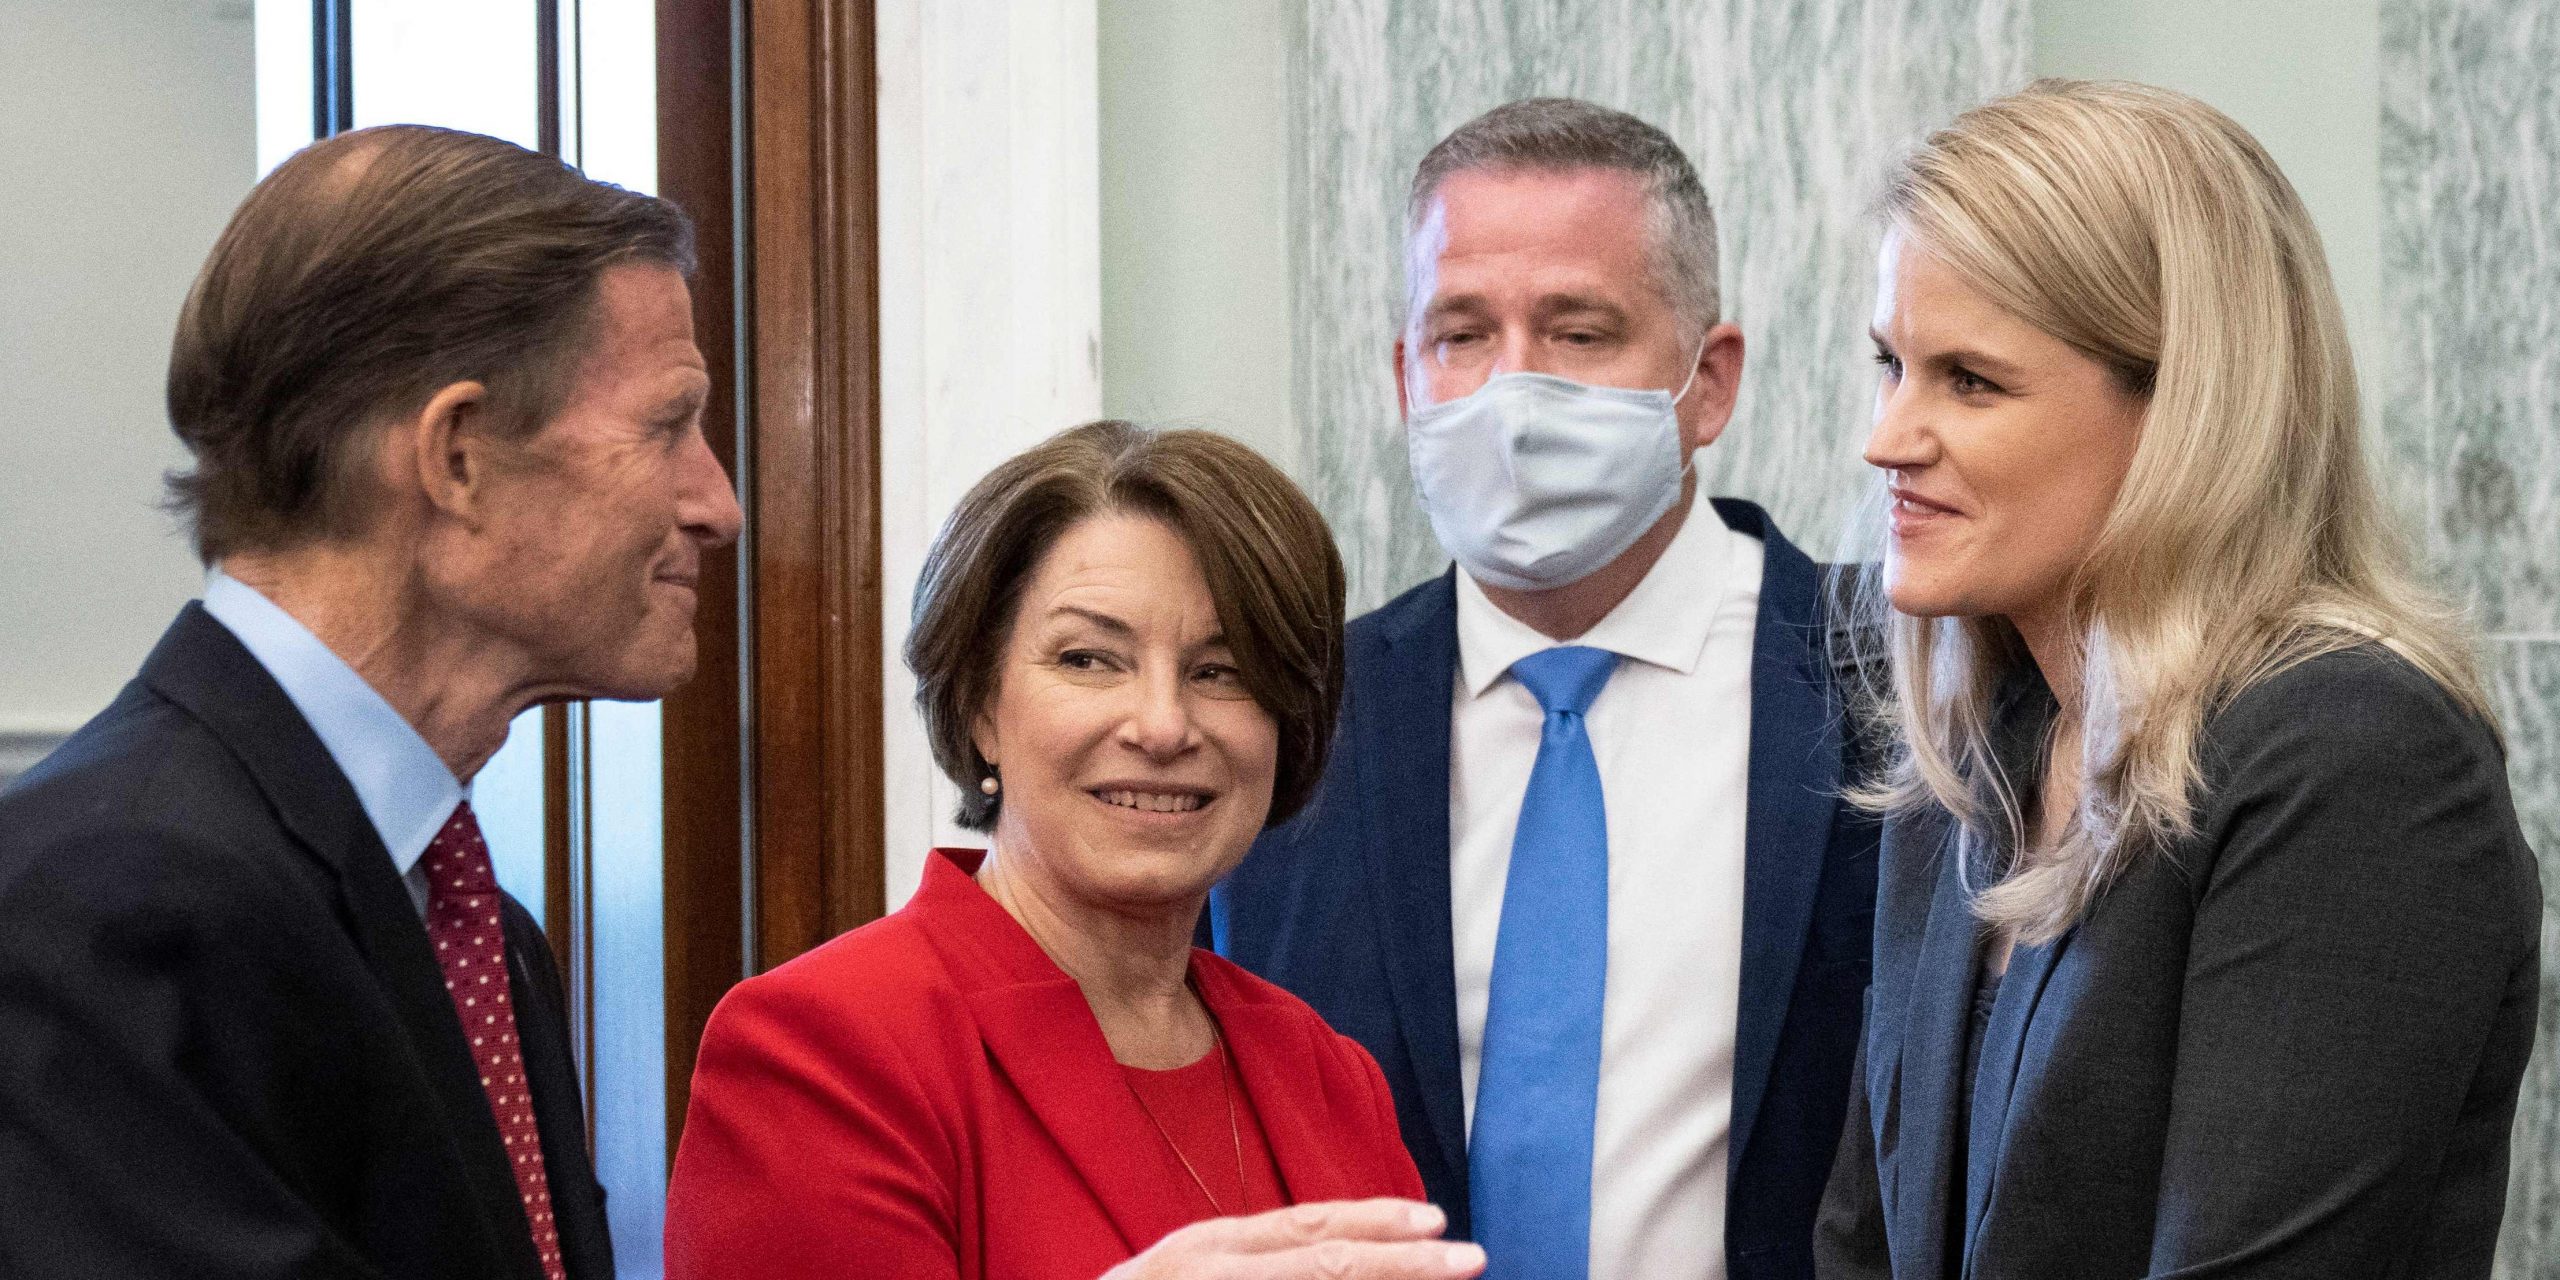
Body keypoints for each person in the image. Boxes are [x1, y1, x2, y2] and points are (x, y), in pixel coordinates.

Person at [1814, 80, 2542, 1279]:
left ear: (2184, 411)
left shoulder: (2354, 754)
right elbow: (1860, 1244)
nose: (1886, 436)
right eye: (1891, 364)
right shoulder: (1975, 749)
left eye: (1970, 381)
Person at [0, 126, 738, 1279]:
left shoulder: (479, 928)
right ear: (456, 457)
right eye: (667, 425)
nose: (718, 502)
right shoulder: (96, 907)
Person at [1213, 98, 1881, 1280]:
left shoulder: (1897, 688)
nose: (1510, 394)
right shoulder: (1290, 719)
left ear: (1708, 381)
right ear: (1405, 376)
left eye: (1578, 332)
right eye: (1460, 333)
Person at [664, 421, 1486, 1280]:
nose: (1164, 725)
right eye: (1091, 659)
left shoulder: (1327, 1074)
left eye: (1222, 670)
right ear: (981, 705)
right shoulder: (823, 1052)